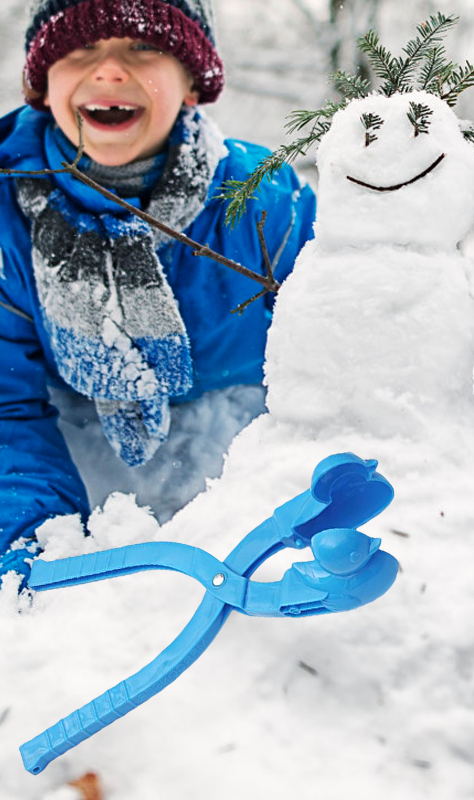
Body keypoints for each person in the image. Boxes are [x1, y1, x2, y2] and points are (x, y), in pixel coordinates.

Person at [0, 0, 315, 590]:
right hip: (75, 432)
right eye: (81, 49)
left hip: (241, 435)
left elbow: (344, 361)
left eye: (143, 48)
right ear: (42, 85)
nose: (110, 71)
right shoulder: (8, 219)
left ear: (192, 83)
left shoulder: (263, 206)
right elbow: (4, 409)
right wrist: (34, 547)